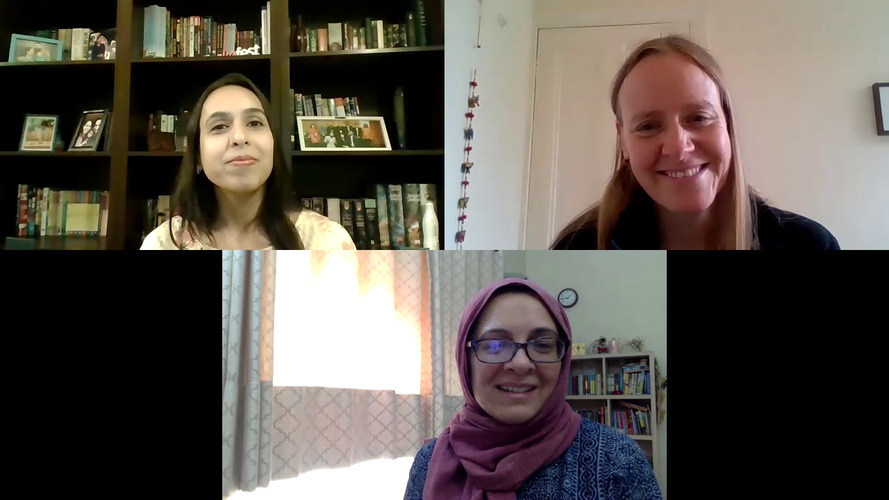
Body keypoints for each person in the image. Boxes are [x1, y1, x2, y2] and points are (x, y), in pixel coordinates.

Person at [550, 35, 839, 250]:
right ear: (623, 141)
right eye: (648, 126)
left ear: (728, 125)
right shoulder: (576, 247)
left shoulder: (810, 244)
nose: (678, 147)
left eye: (698, 118)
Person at [403, 278, 662, 500]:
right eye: (495, 345)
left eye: (542, 344)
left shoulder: (618, 460)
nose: (521, 363)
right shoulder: (429, 462)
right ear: (464, 359)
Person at [140, 73, 355, 250]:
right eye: (219, 126)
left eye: (254, 122)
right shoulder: (163, 244)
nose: (239, 137)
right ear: (198, 156)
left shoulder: (326, 242)